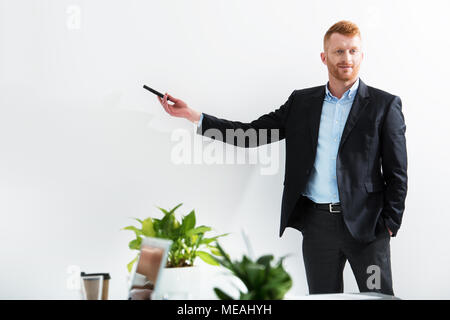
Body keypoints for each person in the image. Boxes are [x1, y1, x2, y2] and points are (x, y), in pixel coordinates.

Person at [156, 20, 407, 296]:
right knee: (323, 299)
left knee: (377, 296)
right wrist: (195, 117)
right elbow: (251, 134)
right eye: (338, 52)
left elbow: (397, 173)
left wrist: (390, 225)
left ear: (362, 55)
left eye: (353, 51)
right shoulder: (302, 103)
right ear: (324, 57)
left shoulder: (385, 105)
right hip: (318, 228)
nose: (346, 58)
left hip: (369, 230)